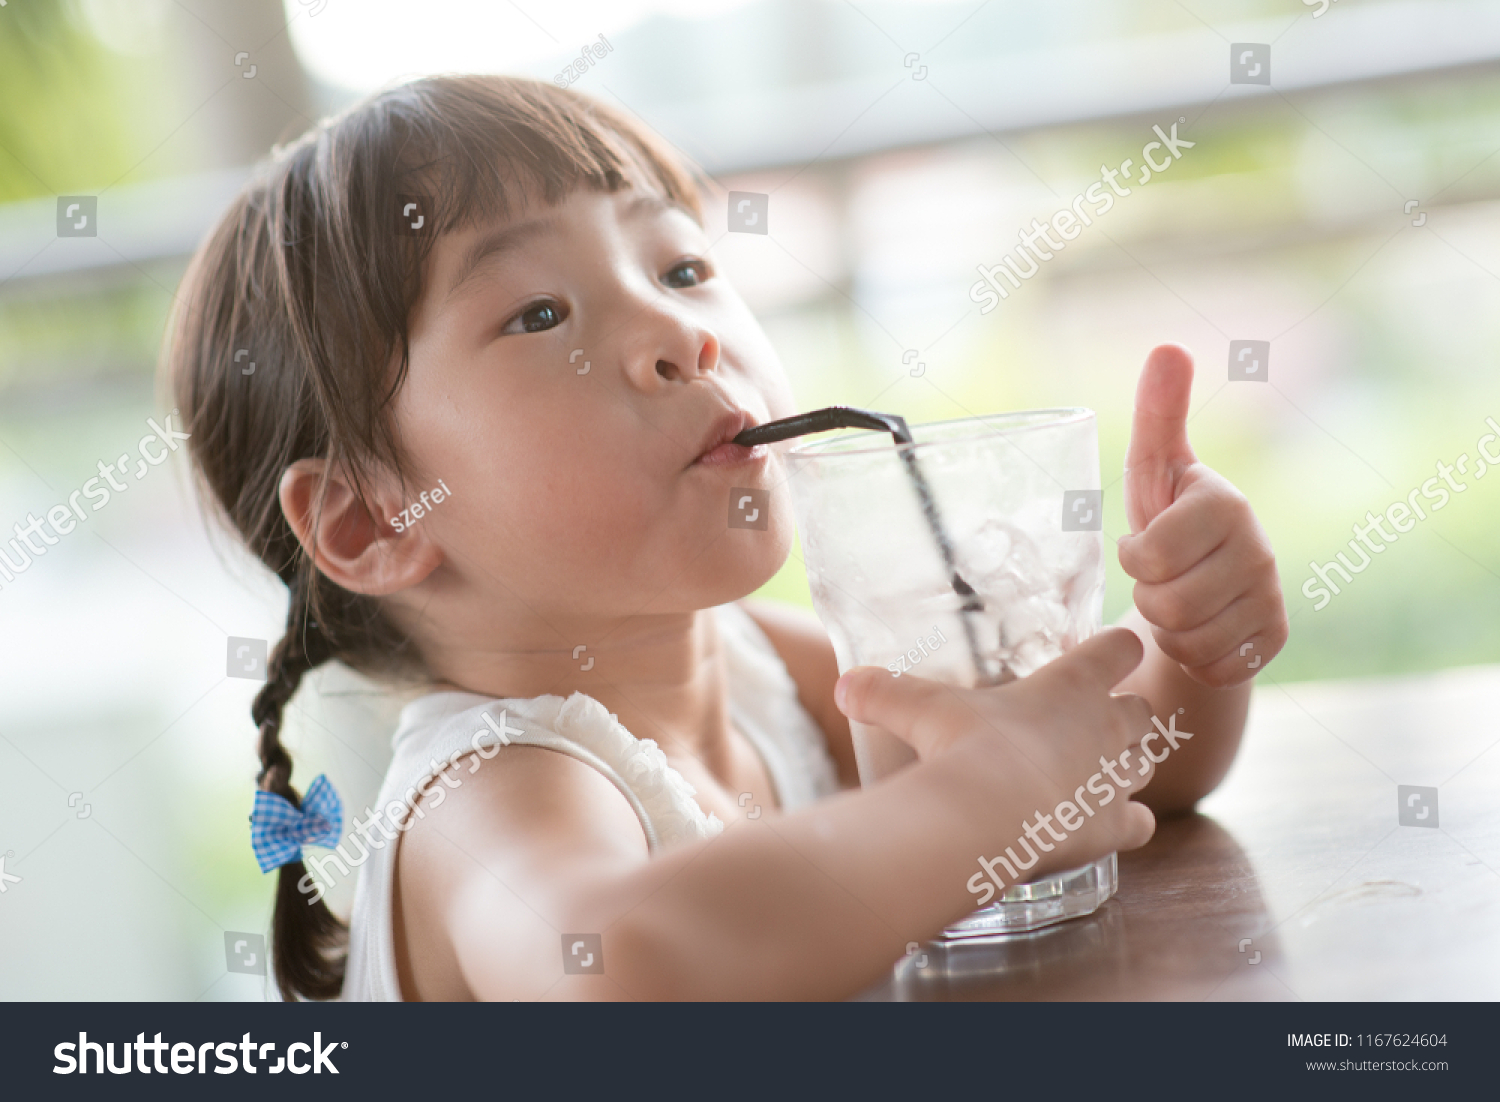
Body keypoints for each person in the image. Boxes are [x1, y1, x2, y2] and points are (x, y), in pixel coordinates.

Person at [166, 75, 1288, 1001]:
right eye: (538, 314)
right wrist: (985, 798)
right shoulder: (487, 787)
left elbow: (1116, 779)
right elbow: (623, 965)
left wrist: (1187, 644)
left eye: (682, 268)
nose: (682, 335)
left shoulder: (760, 668)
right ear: (370, 522)